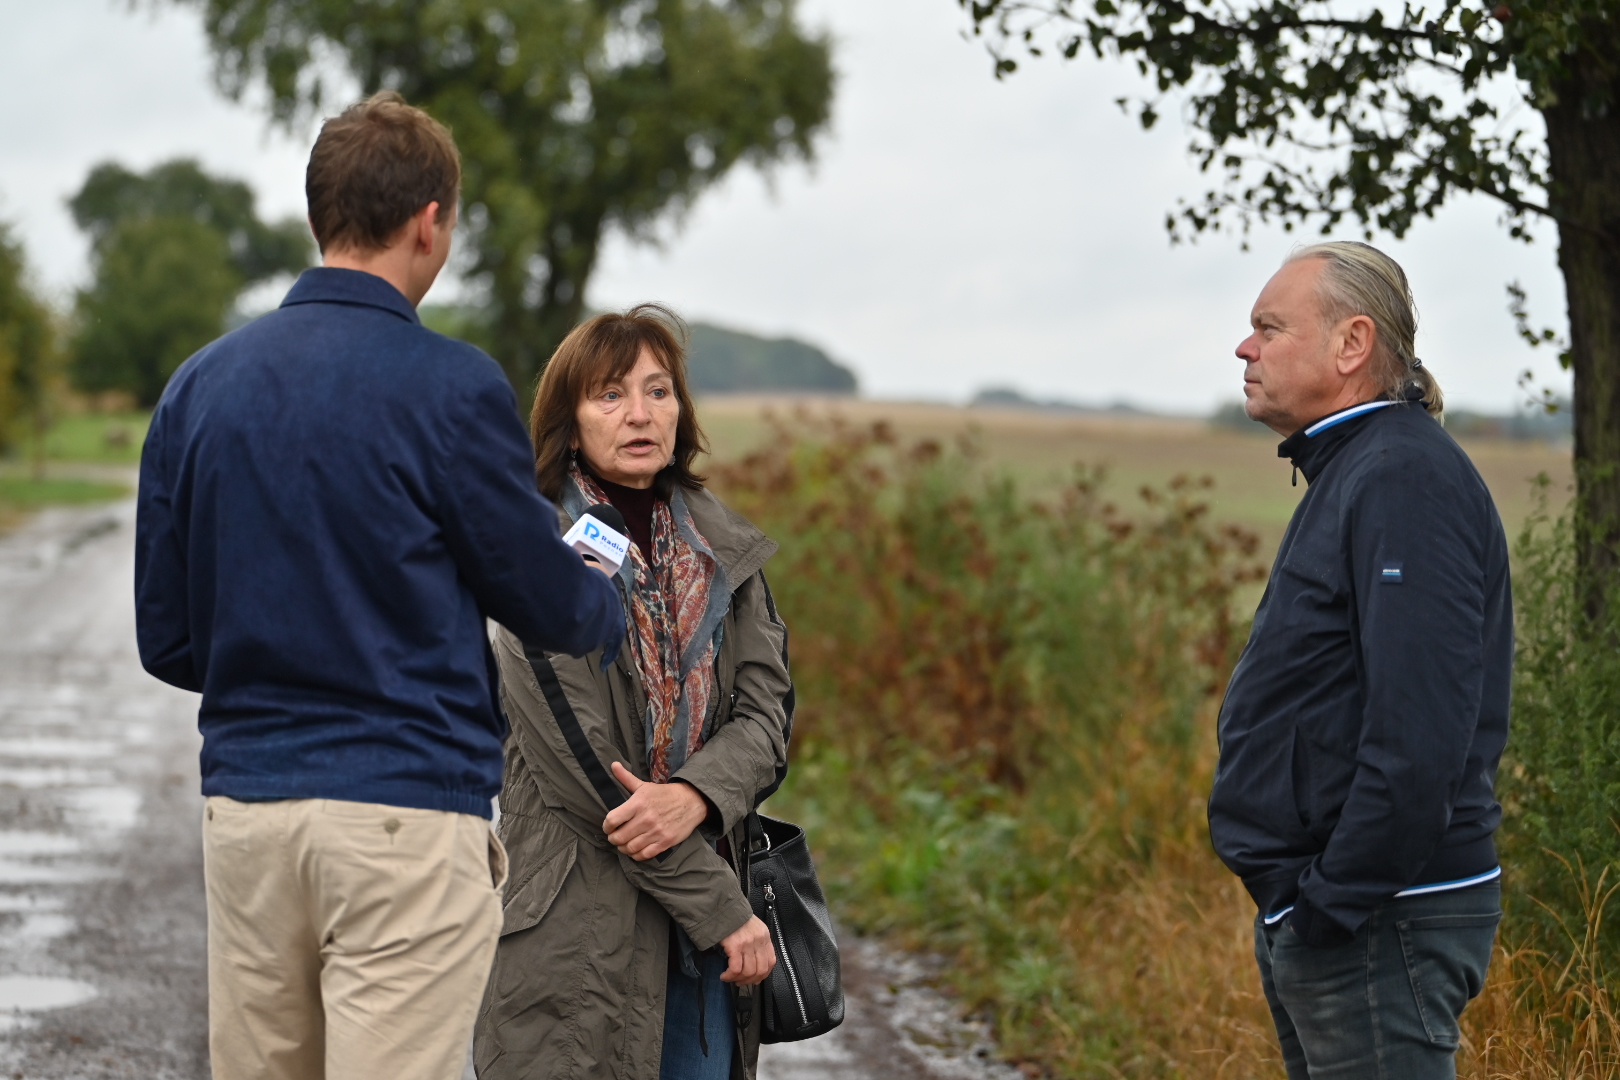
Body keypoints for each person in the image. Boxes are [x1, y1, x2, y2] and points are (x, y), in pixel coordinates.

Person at [134, 91, 624, 1080]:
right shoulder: (452, 386)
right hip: (403, 819)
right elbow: (555, 602)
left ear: (321, 215)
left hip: (250, 819)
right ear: (429, 220)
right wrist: (603, 548)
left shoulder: (199, 385)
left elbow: (166, 639)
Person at [1208, 241, 1511, 1079]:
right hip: (1341, 912)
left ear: (1351, 345)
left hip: (1378, 918)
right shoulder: (1358, 469)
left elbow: (1418, 735)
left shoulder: (1401, 479)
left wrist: (1329, 903)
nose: (1246, 348)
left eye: (1269, 327)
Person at [472, 304, 789, 1080]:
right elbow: (594, 777)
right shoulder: (536, 552)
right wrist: (724, 911)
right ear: (569, 419)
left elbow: (767, 714)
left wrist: (694, 795)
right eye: (611, 395)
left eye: (658, 391)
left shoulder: (726, 552)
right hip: (578, 938)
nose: (640, 415)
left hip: (701, 952)